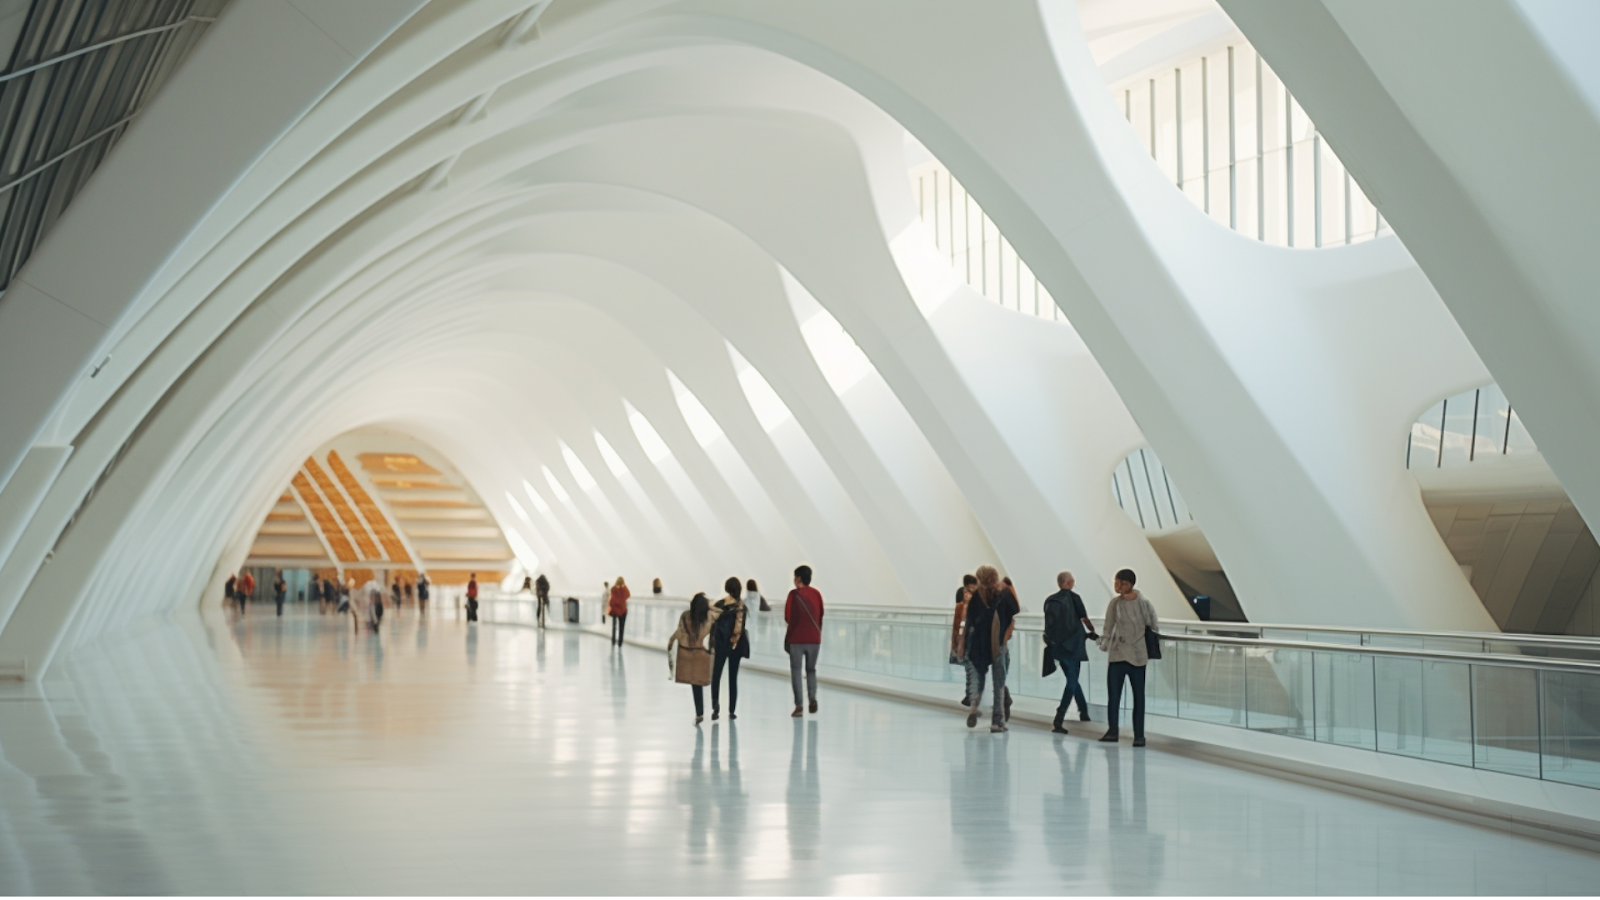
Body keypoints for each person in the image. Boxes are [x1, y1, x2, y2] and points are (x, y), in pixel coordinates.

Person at [1098, 568, 1160, 747]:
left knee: (1139, 696)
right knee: (1114, 695)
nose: (1118, 586)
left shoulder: (1144, 603)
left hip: (1138, 655)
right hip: (1118, 654)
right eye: (1116, 583)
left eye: (1121, 583)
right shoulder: (1115, 604)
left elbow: (1153, 625)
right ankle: (1112, 730)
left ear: (1130, 584)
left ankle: (1139, 735)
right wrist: (1105, 644)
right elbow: (1108, 627)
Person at [964, 565, 1020, 732]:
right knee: (999, 683)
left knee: (979, 678)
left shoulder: (976, 597)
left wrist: (964, 645)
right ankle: (997, 721)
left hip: (979, 643)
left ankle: (974, 705)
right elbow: (1014, 616)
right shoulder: (1004, 595)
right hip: (998, 643)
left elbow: (970, 622)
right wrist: (1005, 636)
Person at [1043, 571, 1098, 733]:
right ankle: (1059, 718)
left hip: (1057, 647)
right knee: (1072, 681)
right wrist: (1092, 631)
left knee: (1072, 678)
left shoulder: (1050, 600)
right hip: (1074, 646)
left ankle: (1084, 712)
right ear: (1069, 582)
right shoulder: (1075, 598)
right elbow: (1084, 619)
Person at [667, 593, 721, 725]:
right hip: (705, 653)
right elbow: (721, 612)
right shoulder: (710, 616)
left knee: (696, 684)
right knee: (712, 679)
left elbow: (680, 632)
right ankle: (715, 704)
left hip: (691, 654)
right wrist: (710, 606)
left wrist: (671, 641)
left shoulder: (686, 616)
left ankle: (699, 713)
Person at [784, 565, 825, 717]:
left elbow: (788, 617)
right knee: (811, 669)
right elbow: (820, 615)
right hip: (814, 639)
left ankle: (799, 706)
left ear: (799, 578)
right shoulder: (817, 594)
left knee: (796, 671)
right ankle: (812, 698)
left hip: (797, 638)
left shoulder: (794, 595)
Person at [711, 576, 750, 721]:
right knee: (733, 677)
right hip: (736, 646)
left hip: (721, 644)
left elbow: (712, 621)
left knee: (717, 675)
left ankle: (715, 706)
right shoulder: (742, 606)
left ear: (727, 588)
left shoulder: (721, 604)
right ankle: (732, 710)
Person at [951, 574, 977, 705]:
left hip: (970, 637)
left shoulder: (977, 603)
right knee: (969, 667)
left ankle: (971, 694)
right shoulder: (962, 605)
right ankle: (970, 694)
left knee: (971, 667)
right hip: (967, 638)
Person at [609, 577, 630, 646]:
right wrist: (624, 586)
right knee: (622, 627)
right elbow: (628, 595)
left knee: (614, 627)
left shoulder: (613, 590)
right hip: (623, 610)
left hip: (615, 611)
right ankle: (620, 642)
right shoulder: (624, 590)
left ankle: (613, 640)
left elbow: (612, 601)